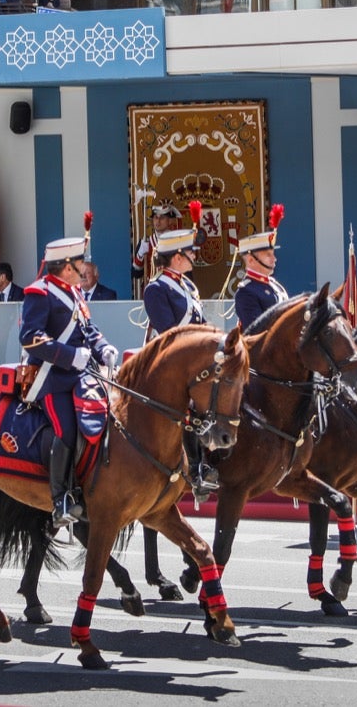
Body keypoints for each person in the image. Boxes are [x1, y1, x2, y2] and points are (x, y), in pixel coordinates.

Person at [18, 235, 120, 528]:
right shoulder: (39, 292)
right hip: (52, 378)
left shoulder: (74, 292)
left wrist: (103, 347)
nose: (83, 267)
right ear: (65, 267)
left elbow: (89, 328)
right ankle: (60, 498)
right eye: (79, 263)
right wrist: (70, 355)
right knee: (66, 430)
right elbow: (30, 338)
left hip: (83, 373)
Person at [141, 223, 218, 496]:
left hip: (193, 360)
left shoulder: (188, 286)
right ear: (176, 257)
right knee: (188, 402)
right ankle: (196, 466)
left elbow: (199, 321)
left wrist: (216, 337)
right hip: (169, 362)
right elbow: (168, 332)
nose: (194, 257)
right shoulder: (156, 289)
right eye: (190, 253)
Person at [233, 210, 287, 329]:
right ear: (251, 260)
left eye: (273, 254)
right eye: (268, 255)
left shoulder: (275, 286)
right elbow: (255, 333)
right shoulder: (246, 291)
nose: (274, 259)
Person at [132, 203, 180, 286]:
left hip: (172, 289)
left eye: (162, 218)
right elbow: (136, 274)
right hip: (152, 289)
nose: (158, 221)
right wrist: (140, 254)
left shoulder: (177, 242)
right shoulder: (145, 242)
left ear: (169, 221)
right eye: (155, 218)